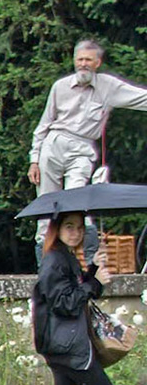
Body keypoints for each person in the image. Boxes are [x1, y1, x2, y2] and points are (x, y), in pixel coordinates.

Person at [29, 39, 147, 252]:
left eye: (88, 60)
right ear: (74, 61)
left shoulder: (108, 86)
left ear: (97, 63)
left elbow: (142, 98)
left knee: (78, 202)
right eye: (80, 59)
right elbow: (44, 124)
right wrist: (34, 159)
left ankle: (88, 264)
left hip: (82, 149)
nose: (83, 64)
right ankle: (45, 262)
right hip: (54, 144)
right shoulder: (60, 87)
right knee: (47, 203)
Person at [32, 212, 123, 385]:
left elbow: (78, 289)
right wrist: (95, 283)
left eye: (80, 228)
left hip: (60, 346)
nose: (76, 233)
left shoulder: (65, 257)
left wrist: (93, 269)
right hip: (68, 347)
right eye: (69, 227)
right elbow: (64, 303)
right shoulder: (54, 260)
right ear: (57, 229)